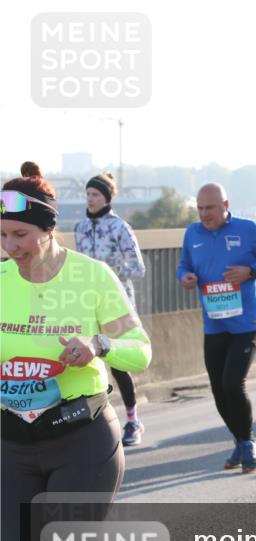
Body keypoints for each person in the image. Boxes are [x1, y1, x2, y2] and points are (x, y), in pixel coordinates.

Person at [2, 162, 152, 541]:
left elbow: (140, 350)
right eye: (1, 234)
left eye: (21, 234)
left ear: (49, 230)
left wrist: (98, 344)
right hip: (11, 439)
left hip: (81, 437)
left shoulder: (91, 277)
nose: (11, 245)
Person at [176, 183, 256, 472]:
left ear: (225, 205)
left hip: (246, 323)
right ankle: (240, 441)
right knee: (217, 389)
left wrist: (251, 271)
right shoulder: (192, 233)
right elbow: (183, 265)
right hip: (214, 324)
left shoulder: (249, 229)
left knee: (232, 383)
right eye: (199, 208)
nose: (204, 214)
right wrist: (186, 276)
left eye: (210, 208)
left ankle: (249, 443)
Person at [74, 172, 147, 446]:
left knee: (116, 363)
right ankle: (92, 423)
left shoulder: (120, 228)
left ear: (107, 197)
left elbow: (138, 268)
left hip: (116, 304)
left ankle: (133, 420)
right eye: (88, 195)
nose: (91, 199)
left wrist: (108, 272)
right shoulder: (80, 228)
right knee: (88, 360)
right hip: (87, 303)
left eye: (96, 195)